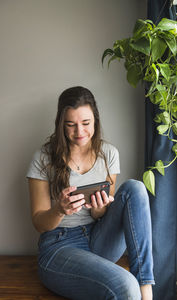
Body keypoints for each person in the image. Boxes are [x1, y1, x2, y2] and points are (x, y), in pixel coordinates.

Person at [27, 86, 155, 300]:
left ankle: (147, 288)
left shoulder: (109, 154)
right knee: (125, 285)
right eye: (71, 125)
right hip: (59, 245)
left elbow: (101, 216)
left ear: (95, 120)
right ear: (61, 124)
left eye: (86, 123)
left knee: (135, 187)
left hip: (98, 238)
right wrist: (59, 210)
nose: (79, 132)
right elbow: (39, 223)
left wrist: (99, 208)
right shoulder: (43, 158)